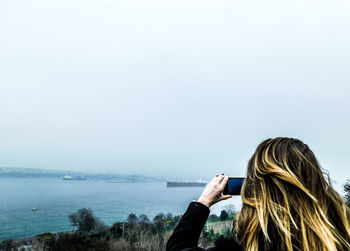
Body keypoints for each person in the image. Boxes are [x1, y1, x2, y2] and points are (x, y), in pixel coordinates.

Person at [166, 137, 350, 251]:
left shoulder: (245, 247)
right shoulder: (343, 236)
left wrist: (203, 203)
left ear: (256, 190)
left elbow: (177, 248)